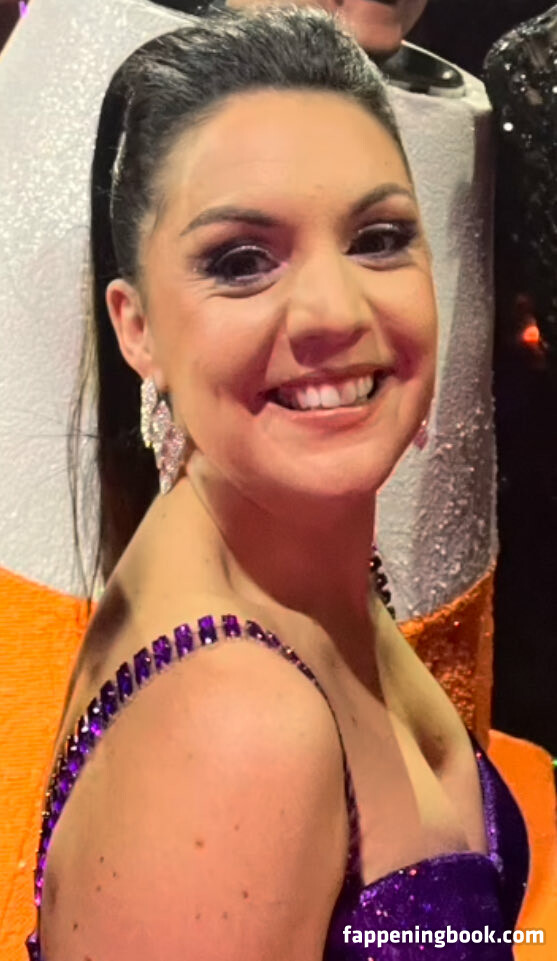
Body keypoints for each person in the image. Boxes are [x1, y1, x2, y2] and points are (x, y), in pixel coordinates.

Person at [26, 7, 529, 960]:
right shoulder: (237, 727)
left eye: (377, 237)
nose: (334, 310)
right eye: (242, 261)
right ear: (138, 329)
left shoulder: (301, 557)